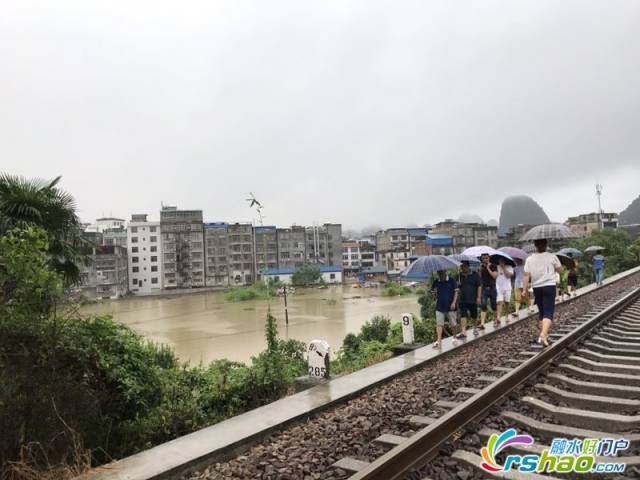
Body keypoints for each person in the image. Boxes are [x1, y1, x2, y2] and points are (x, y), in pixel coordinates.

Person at [523, 238, 563, 347]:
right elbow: (560, 271)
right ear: (546, 245)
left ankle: (545, 337)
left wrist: (524, 290)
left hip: (537, 288)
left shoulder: (529, 259)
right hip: (549, 286)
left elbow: (526, 275)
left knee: (542, 313)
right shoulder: (552, 256)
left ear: (535, 245)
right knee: (548, 312)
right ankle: (543, 334)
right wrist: (557, 266)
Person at [431, 269, 459, 348]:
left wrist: (454, 302)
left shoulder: (451, 280)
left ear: (445, 271)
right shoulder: (435, 282)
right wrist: (434, 293)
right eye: (438, 272)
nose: (440, 273)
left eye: (441, 272)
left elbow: (456, 292)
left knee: (453, 323)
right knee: (439, 324)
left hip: (451, 306)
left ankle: (454, 337)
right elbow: (434, 297)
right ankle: (439, 340)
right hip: (439, 306)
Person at [457, 261, 482, 337]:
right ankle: (464, 331)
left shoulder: (475, 275)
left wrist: (478, 297)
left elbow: (479, 286)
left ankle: (475, 328)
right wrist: (458, 285)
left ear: (468, 266)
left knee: (474, 315)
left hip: (473, 299)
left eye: (464, 266)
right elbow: (456, 288)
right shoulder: (459, 276)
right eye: (461, 266)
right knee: (463, 315)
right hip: (462, 299)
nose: (462, 268)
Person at [479, 253, 498, 328]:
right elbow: (479, 278)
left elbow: (494, 276)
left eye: (486, 258)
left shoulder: (493, 266)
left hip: (492, 288)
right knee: (483, 305)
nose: (485, 259)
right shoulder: (481, 267)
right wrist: (479, 271)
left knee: (494, 305)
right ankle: (482, 323)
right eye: (483, 258)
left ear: (489, 258)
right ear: (481, 259)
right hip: (484, 289)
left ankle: (495, 320)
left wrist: (488, 268)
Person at [496, 257, 514, 323]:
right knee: (499, 301)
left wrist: (503, 268)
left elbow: (508, 276)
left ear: (504, 261)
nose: (501, 262)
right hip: (498, 287)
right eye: (500, 260)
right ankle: (498, 317)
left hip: (507, 288)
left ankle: (506, 316)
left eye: (502, 261)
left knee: (507, 303)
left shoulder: (509, 267)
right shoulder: (496, 267)